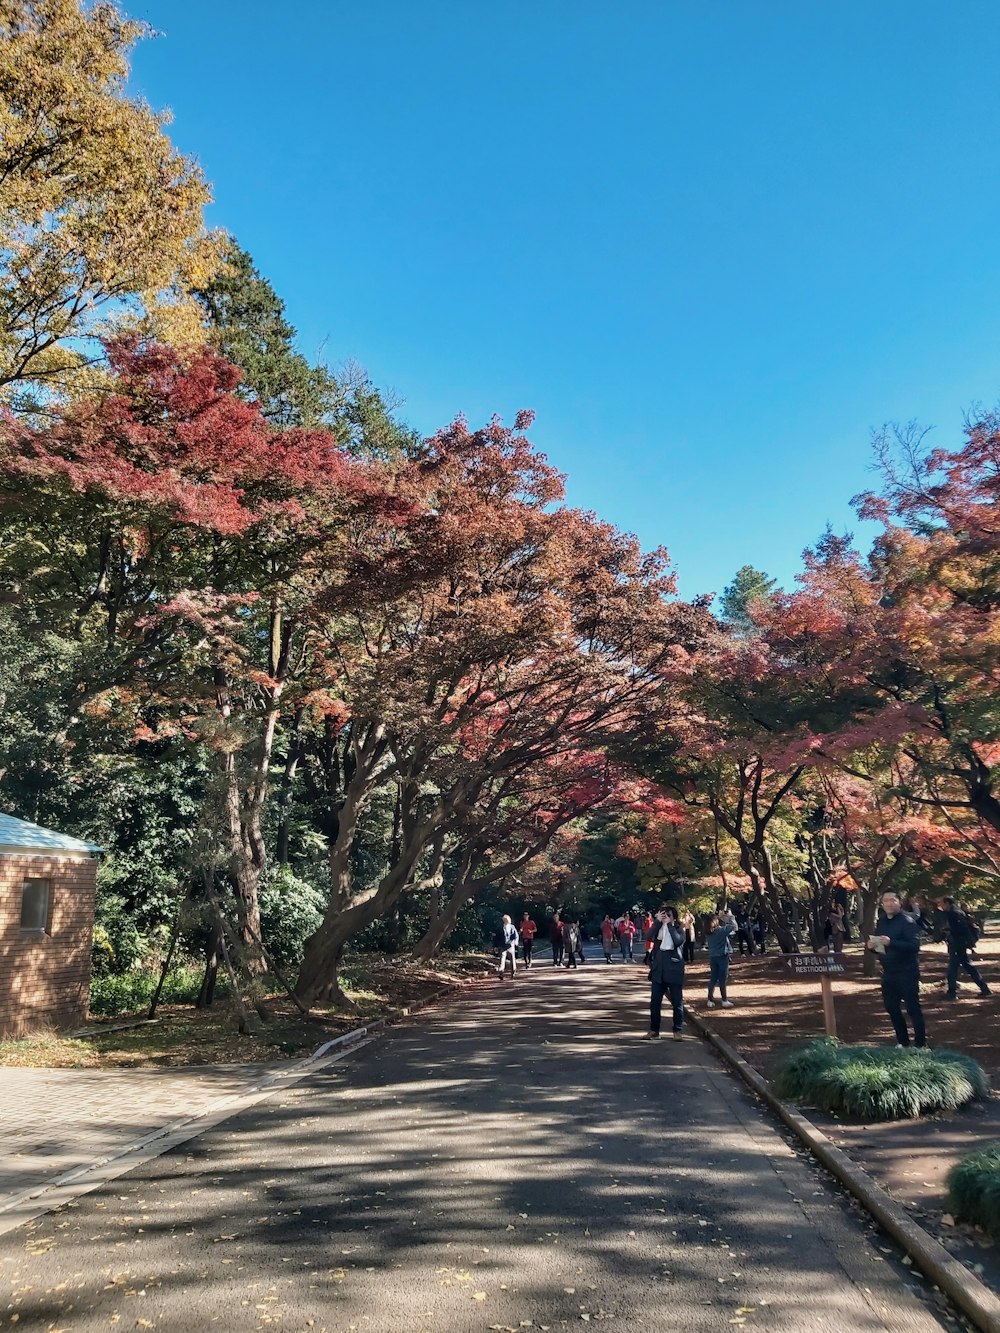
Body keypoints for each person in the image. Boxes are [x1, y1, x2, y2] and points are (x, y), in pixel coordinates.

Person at [868, 891, 926, 1047]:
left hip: (907, 972)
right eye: (885, 901)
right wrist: (872, 947)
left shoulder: (907, 921)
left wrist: (891, 942)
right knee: (892, 1008)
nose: (889, 903)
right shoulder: (882, 922)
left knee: (913, 1009)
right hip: (889, 973)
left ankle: (920, 1045)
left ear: (899, 902)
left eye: (892, 900)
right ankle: (903, 1042)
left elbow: (914, 946)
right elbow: (881, 947)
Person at [643, 905, 686, 1040]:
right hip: (658, 971)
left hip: (674, 970)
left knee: (677, 1002)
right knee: (655, 1002)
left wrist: (670, 925)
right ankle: (654, 1030)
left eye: (668, 915)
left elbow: (678, 941)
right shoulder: (658, 930)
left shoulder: (679, 929)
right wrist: (657, 922)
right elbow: (648, 936)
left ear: (674, 917)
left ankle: (677, 1030)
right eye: (663, 915)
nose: (665, 918)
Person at [939, 896, 990, 1000]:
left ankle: (952, 993)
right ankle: (984, 989)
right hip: (959, 945)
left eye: (942, 903)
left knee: (953, 969)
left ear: (948, 903)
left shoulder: (954, 914)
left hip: (958, 945)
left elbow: (959, 930)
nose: (941, 906)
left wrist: (948, 934)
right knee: (967, 967)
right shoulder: (957, 912)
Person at [705, 910, 737, 1007]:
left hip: (713, 957)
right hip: (722, 956)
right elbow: (734, 927)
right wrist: (730, 917)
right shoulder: (721, 931)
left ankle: (710, 999)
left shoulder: (708, 932)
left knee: (713, 978)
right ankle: (724, 1000)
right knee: (722, 978)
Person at [497, 914, 519, 981]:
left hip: (510, 945)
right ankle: (501, 973)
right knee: (502, 960)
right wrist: (495, 946)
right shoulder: (501, 928)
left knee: (512, 960)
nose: (507, 921)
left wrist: (515, 942)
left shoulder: (512, 927)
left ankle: (513, 972)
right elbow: (497, 937)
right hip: (503, 946)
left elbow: (516, 935)